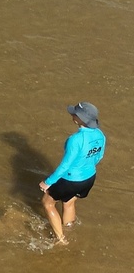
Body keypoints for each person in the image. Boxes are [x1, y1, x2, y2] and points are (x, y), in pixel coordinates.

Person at [39, 102, 106, 246]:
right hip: (89, 178)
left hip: (71, 179)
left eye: (74, 113)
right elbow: (99, 156)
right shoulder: (100, 134)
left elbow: (65, 165)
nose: (72, 114)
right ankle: (69, 230)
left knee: (47, 203)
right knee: (69, 202)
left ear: (80, 118)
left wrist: (48, 182)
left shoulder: (75, 140)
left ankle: (61, 239)